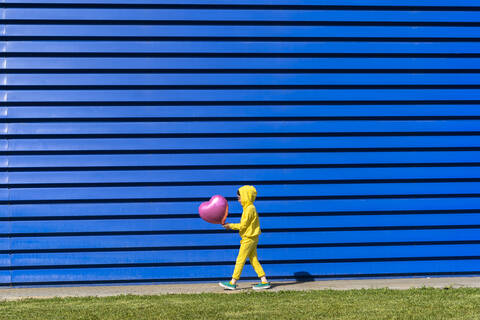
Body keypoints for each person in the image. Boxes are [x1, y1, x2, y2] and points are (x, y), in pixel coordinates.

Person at [219, 185, 271, 290]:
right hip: (253, 238)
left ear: (246, 196)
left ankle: (233, 282)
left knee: (240, 259)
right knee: (254, 259)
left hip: (248, 238)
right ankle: (264, 281)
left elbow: (243, 225)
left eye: (239, 197)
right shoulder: (250, 208)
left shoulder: (249, 209)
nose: (238, 200)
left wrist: (230, 226)